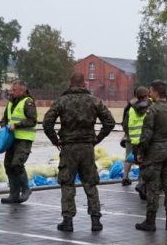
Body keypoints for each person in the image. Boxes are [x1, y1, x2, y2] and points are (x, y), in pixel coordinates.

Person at [42, 72, 116, 232]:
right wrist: (97, 138)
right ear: (84, 84)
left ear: (70, 84)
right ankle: (96, 220)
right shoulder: (94, 101)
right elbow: (110, 122)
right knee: (90, 183)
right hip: (87, 147)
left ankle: (67, 221)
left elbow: (47, 123)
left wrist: (55, 140)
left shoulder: (62, 101)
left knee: (67, 183)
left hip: (68, 148)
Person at [136, 81, 167, 232]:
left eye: (151, 91)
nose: (149, 93)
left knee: (153, 187)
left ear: (155, 92)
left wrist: (141, 153)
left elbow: (147, 134)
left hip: (155, 152)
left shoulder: (153, 110)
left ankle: (150, 222)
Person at [0, 81, 37, 204]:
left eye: (14, 90)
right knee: (8, 165)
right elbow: (5, 118)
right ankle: (13, 195)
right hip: (11, 139)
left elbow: (32, 121)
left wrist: (17, 125)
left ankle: (26, 189)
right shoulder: (11, 102)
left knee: (17, 164)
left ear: (22, 90)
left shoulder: (28, 102)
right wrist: (3, 126)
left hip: (24, 139)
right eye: (12, 89)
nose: (11, 91)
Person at [121, 86, 150, 187]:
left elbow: (124, 124)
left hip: (131, 138)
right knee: (143, 159)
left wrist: (129, 134)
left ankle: (125, 177)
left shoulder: (130, 108)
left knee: (129, 158)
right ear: (146, 96)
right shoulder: (150, 107)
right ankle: (141, 181)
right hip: (143, 139)